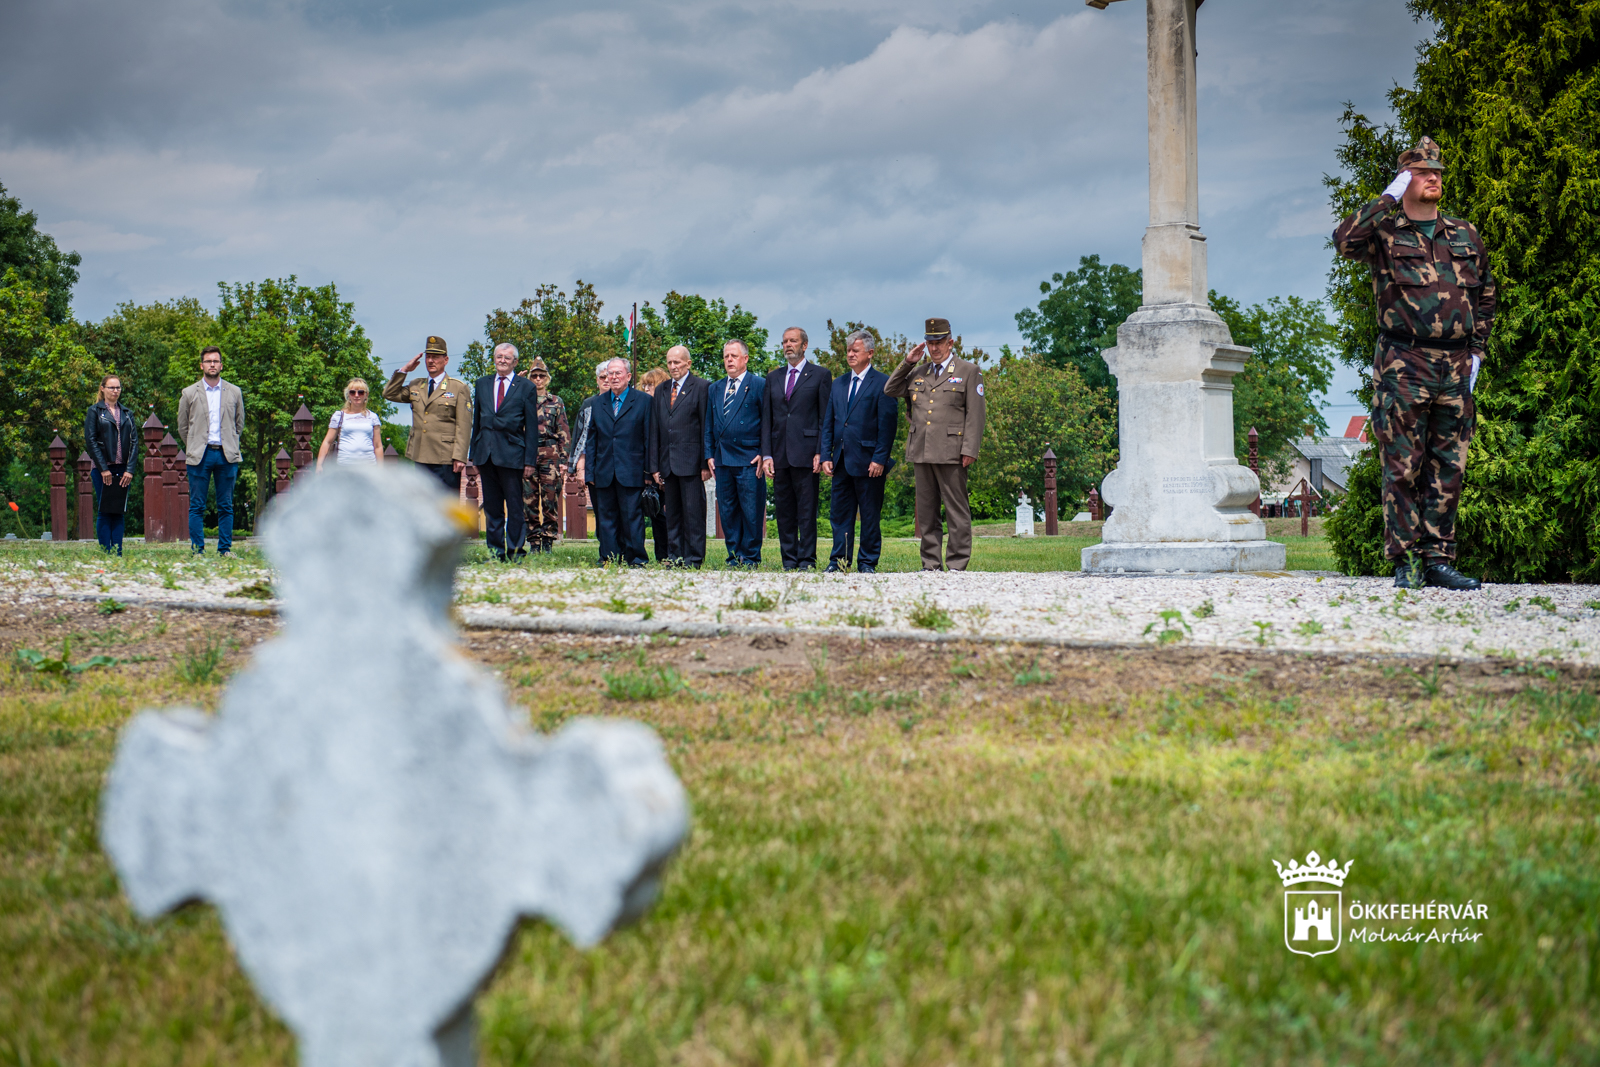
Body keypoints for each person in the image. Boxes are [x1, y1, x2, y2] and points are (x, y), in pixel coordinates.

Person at [1334, 136, 1492, 591]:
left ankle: (1438, 561)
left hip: (1455, 366)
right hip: (1404, 362)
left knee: (1449, 467)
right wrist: (1387, 197)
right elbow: (1344, 240)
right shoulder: (1384, 233)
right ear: (1405, 179)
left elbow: (1485, 293)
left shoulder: (1463, 233)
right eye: (1422, 172)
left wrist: (1477, 349)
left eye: (1436, 172)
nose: (1433, 178)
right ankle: (1406, 563)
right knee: (1402, 466)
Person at [884, 317, 985, 572]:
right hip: (922, 449)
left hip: (952, 451)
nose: (934, 348)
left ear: (950, 343)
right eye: (930, 343)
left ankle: (957, 563)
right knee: (927, 511)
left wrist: (970, 449)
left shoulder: (968, 371)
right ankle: (930, 563)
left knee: (956, 510)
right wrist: (908, 362)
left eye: (939, 342)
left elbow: (975, 415)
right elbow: (890, 389)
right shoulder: (919, 372)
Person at [820, 331, 898, 573]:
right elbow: (829, 422)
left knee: (869, 515)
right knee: (840, 515)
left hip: (869, 462)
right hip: (841, 460)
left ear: (870, 353)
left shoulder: (883, 383)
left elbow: (888, 426)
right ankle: (839, 561)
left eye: (856, 350)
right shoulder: (838, 383)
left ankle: (867, 562)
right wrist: (825, 455)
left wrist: (880, 459)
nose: (850, 354)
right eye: (848, 351)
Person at [761, 327, 831, 571]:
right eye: (784, 342)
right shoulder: (773, 377)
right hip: (779, 454)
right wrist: (767, 454)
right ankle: (789, 560)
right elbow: (767, 419)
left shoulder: (820, 375)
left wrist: (821, 452)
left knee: (806, 511)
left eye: (792, 341)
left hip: (808, 454)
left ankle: (807, 560)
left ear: (804, 345)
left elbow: (824, 418)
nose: (787, 345)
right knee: (784, 512)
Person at [468, 343, 539, 561]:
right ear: (494, 359)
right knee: (492, 507)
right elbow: (477, 421)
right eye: (499, 356)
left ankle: (516, 552)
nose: (502, 360)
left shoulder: (526, 387)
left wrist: (530, 461)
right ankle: (495, 553)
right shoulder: (482, 383)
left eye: (507, 357)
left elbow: (531, 427)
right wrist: (473, 455)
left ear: (515, 362)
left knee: (515, 507)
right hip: (486, 454)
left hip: (512, 455)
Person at [583, 358, 658, 567]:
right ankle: (609, 558)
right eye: (610, 374)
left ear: (628, 376)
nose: (613, 377)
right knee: (606, 518)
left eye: (618, 373)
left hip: (632, 471)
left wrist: (649, 472)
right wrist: (589, 473)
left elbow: (649, 438)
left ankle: (636, 559)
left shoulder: (644, 401)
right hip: (604, 471)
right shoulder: (597, 403)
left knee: (632, 518)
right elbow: (591, 441)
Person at [175, 345, 245, 556]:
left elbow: (239, 424)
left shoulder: (234, 392)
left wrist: (230, 442)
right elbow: (182, 426)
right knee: (197, 506)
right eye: (208, 361)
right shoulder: (189, 393)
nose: (212, 364)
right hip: (200, 455)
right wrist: (194, 445)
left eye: (215, 361)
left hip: (226, 454)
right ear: (201, 365)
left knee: (226, 506)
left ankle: (225, 550)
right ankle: (198, 551)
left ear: (221, 365)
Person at [705, 339, 766, 568]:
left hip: (750, 458)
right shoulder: (715, 388)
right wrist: (709, 454)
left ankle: (750, 557)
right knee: (728, 511)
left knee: (751, 511)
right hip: (722, 459)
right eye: (726, 356)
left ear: (745, 358)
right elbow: (709, 424)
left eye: (734, 356)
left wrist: (764, 452)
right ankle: (733, 555)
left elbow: (769, 422)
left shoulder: (759, 384)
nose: (729, 360)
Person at [381, 335, 471, 491]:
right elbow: (389, 393)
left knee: (447, 501)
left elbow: (464, 425)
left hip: (446, 457)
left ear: (446, 360)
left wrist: (459, 456)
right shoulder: (416, 385)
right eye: (428, 357)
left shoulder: (458, 388)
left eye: (435, 357)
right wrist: (404, 370)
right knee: (424, 500)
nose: (430, 361)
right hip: (421, 454)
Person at [653, 344, 711, 568]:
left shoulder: (702, 387)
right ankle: (675, 556)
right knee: (673, 514)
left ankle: (694, 558)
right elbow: (656, 429)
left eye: (677, 362)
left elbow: (706, 426)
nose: (673, 366)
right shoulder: (661, 389)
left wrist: (705, 463)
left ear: (688, 363)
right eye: (669, 362)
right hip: (667, 463)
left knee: (693, 514)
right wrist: (655, 465)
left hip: (692, 463)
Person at [83, 374, 140, 555]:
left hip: (122, 469)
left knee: (118, 511)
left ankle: (117, 553)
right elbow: (91, 441)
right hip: (102, 469)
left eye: (118, 387)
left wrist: (129, 470)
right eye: (111, 387)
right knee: (105, 511)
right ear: (103, 389)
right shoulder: (94, 411)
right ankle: (105, 552)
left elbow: (134, 442)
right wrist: (103, 469)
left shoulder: (127, 413)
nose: (115, 391)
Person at [523, 357, 570, 554]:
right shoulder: (523, 400)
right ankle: (534, 542)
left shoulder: (556, 402)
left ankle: (548, 540)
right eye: (534, 376)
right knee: (529, 500)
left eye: (541, 376)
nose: (538, 379)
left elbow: (564, 432)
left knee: (550, 500)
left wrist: (564, 460)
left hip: (551, 455)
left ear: (547, 378)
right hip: (528, 454)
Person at [636, 367, 672, 563]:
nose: (647, 389)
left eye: (651, 385)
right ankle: (656, 555)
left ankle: (668, 555)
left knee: (664, 514)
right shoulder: (642, 408)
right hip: (643, 469)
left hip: (663, 468)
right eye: (644, 385)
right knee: (651, 513)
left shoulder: (666, 409)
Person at [316, 379, 385, 469]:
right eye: (352, 392)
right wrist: (319, 465)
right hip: (344, 467)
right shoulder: (339, 416)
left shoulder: (373, 417)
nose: (356, 395)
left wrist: (380, 469)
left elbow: (378, 446)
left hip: (369, 467)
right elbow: (327, 442)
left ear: (366, 395)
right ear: (348, 395)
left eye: (360, 392)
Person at [567, 360, 611, 481]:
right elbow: (580, 437)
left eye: (609, 377)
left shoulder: (621, 405)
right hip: (593, 464)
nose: (606, 380)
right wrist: (579, 468)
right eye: (602, 377)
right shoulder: (588, 404)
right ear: (597, 380)